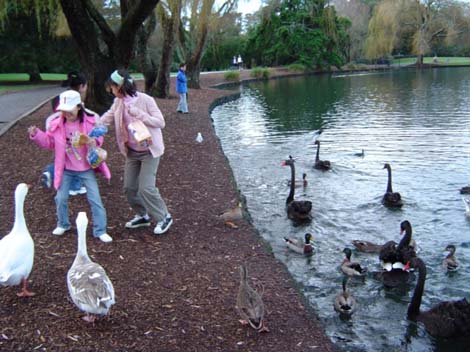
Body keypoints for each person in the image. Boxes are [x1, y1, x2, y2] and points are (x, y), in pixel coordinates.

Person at [28, 90, 112, 243]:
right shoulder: (57, 125)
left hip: (86, 169)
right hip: (66, 169)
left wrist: (93, 142)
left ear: (79, 107)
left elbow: (98, 138)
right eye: (63, 110)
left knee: (95, 199)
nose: (66, 113)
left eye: (70, 109)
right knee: (60, 198)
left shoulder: (89, 121)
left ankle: (100, 230)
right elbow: (49, 142)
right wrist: (37, 134)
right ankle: (63, 223)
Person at [99, 69, 173, 236]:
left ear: (120, 86)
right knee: (129, 187)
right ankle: (142, 215)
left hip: (149, 151)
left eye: (112, 87)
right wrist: (92, 126)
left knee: (146, 188)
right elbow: (107, 118)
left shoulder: (146, 100)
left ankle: (164, 217)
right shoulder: (118, 103)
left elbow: (160, 122)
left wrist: (139, 114)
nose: (111, 91)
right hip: (132, 151)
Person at [41, 71, 92, 196]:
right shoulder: (77, 102)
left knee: (65, 158)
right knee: (76, 157)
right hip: (66, 133)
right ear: (82, 86)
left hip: (57, 132)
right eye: (86, 86)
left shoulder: (62, 97)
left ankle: (50, 172)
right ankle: (74, 185)